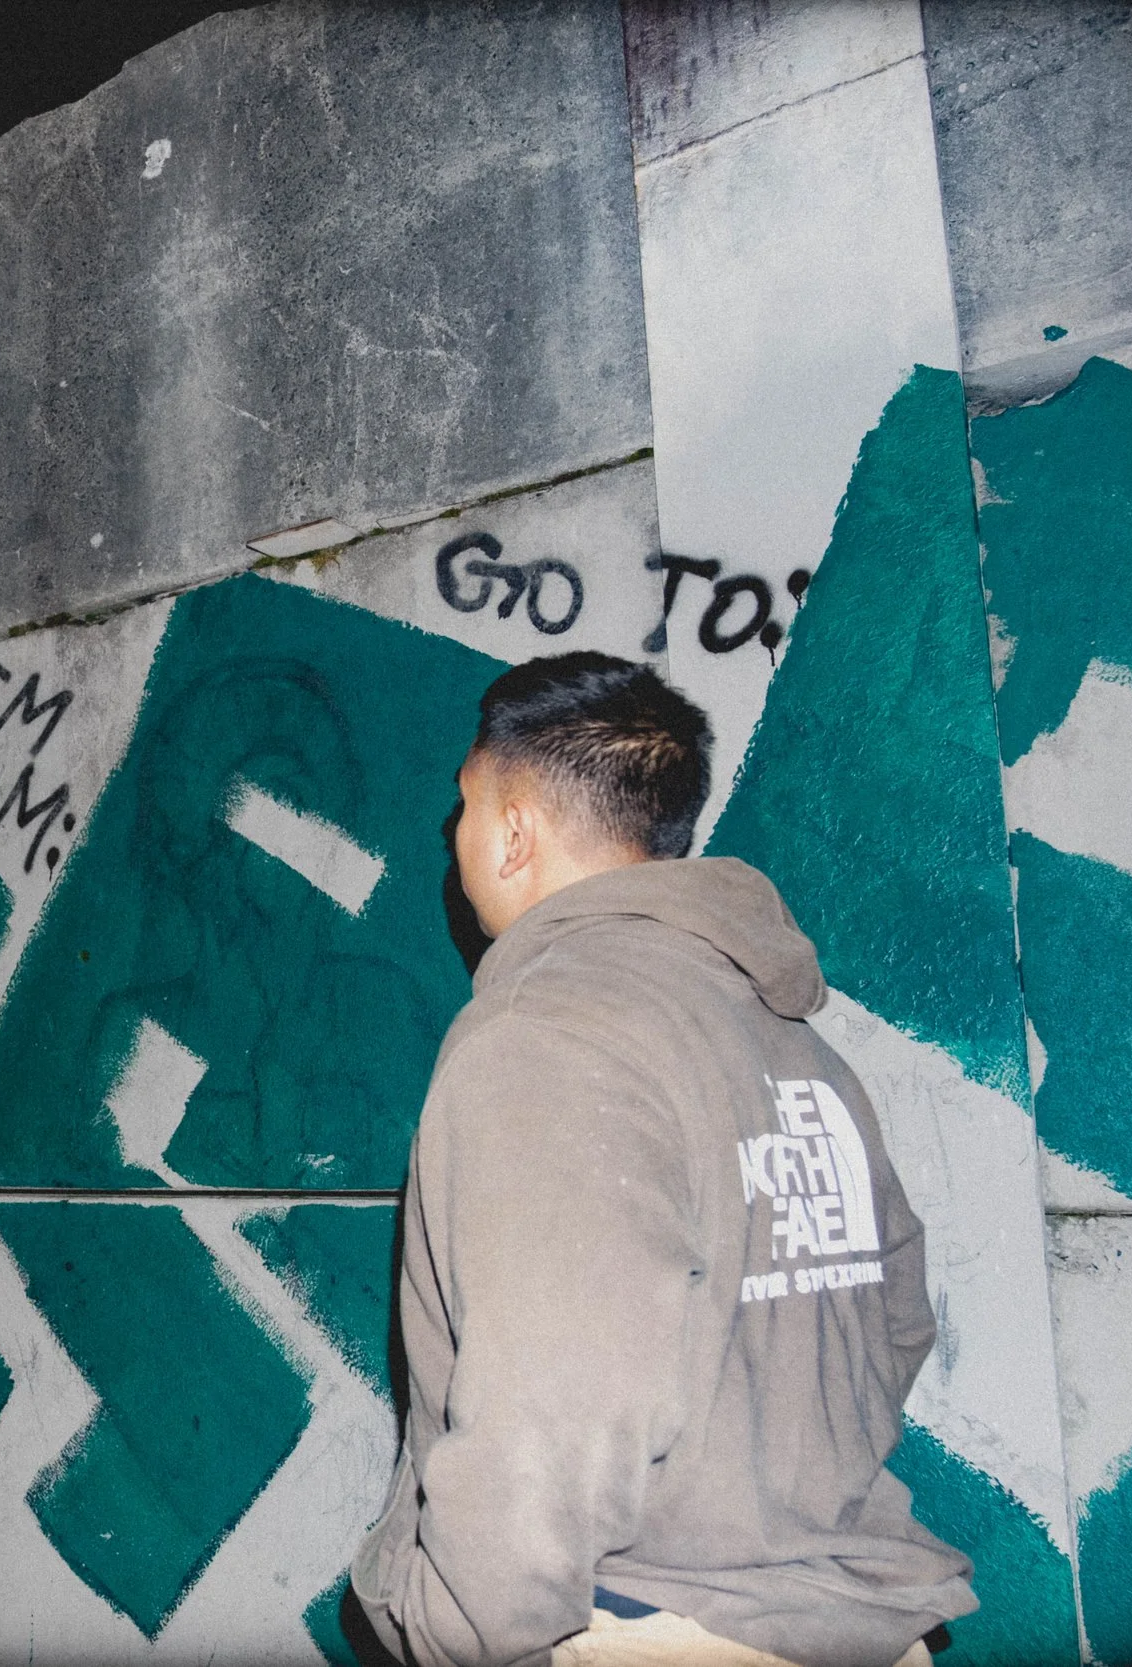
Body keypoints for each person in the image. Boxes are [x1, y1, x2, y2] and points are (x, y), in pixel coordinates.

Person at [351, 653, 973, 1667]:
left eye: (463, 809)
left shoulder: (542, 1030)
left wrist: (453, 1626)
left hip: (649, 1628)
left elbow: (552, 1402)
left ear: (512, 832)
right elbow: (896, 1318)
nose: (451, 839)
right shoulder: (794, 1045)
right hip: (857, 1623)